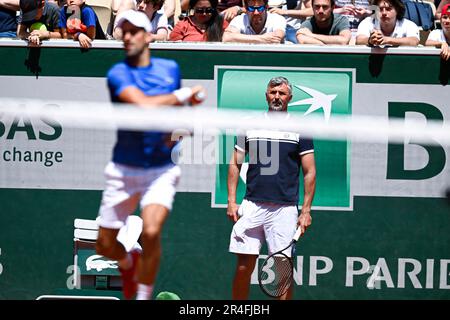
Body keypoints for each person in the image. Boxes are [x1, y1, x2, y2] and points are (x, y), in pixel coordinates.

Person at [95, 9, 205, 300]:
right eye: (124, 31)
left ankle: (142, 296)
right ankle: (127, 263)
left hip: (159, 170)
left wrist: (182, 125)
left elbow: (178, 117)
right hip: (124, 169)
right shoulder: (118, 73)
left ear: (148, 36)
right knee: (104, 245)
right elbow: (144, 105)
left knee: (152, 231)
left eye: (134, 31)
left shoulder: (170, 69)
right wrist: (183, 95)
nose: (127, 37)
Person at [227, 76, 316, 300]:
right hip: (251, 205)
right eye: (273, 92)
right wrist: (231, 200)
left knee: (281, 273)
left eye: (282, 94)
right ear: (266, 95)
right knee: (243, 268)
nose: (277, 97)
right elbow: (235, 163)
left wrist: (305, 210)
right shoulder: (249, 125)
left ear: (290, 98)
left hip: (284, 210)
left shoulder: (300, 128)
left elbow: (310, 172)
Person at [355, 0, 420, 47]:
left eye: (388, 9)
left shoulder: (408, 24)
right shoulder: (367, 22)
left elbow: (414, 41)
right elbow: (359, 40)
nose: (384, 13)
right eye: (380, 9)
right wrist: (370, 40)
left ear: (397, 10)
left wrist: (387, 40)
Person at [222, 0, 286, 43]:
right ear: (245, 9)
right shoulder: (239, 19)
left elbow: (277, 38)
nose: (256, 12)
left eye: (260, 8)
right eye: (251, 8)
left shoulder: (277, 19)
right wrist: (262, 39)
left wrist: (241, 38)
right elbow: (226, 37)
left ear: (266, 7)